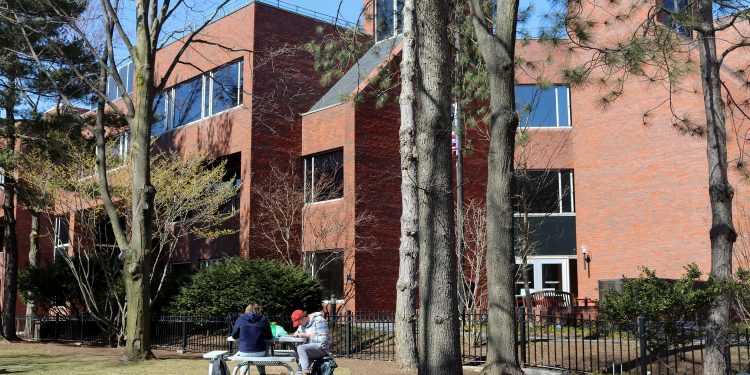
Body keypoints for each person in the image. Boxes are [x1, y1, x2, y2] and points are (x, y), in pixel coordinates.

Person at [231, 303, 272, 375]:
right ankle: (262, 373)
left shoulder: (241, 318)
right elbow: (269, 336)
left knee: (245, 358)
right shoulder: (263, 318)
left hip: (244, 351)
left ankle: (242, 373)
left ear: (246, 310)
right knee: (260, 357)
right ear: (259, 310)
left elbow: (234, 335)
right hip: (260, 351)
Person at [291, 309, 331, 375]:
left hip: (322, 348)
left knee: (301, 348)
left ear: (302, 318)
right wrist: (297, 334)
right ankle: (301, 372)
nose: (299, 325)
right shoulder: (302, 325)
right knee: (300, 365)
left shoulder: (319, 320)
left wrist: (308, 336)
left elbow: (324, 340)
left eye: (298, 322)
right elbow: (298, 332)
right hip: (309, 349)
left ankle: (306, 372)